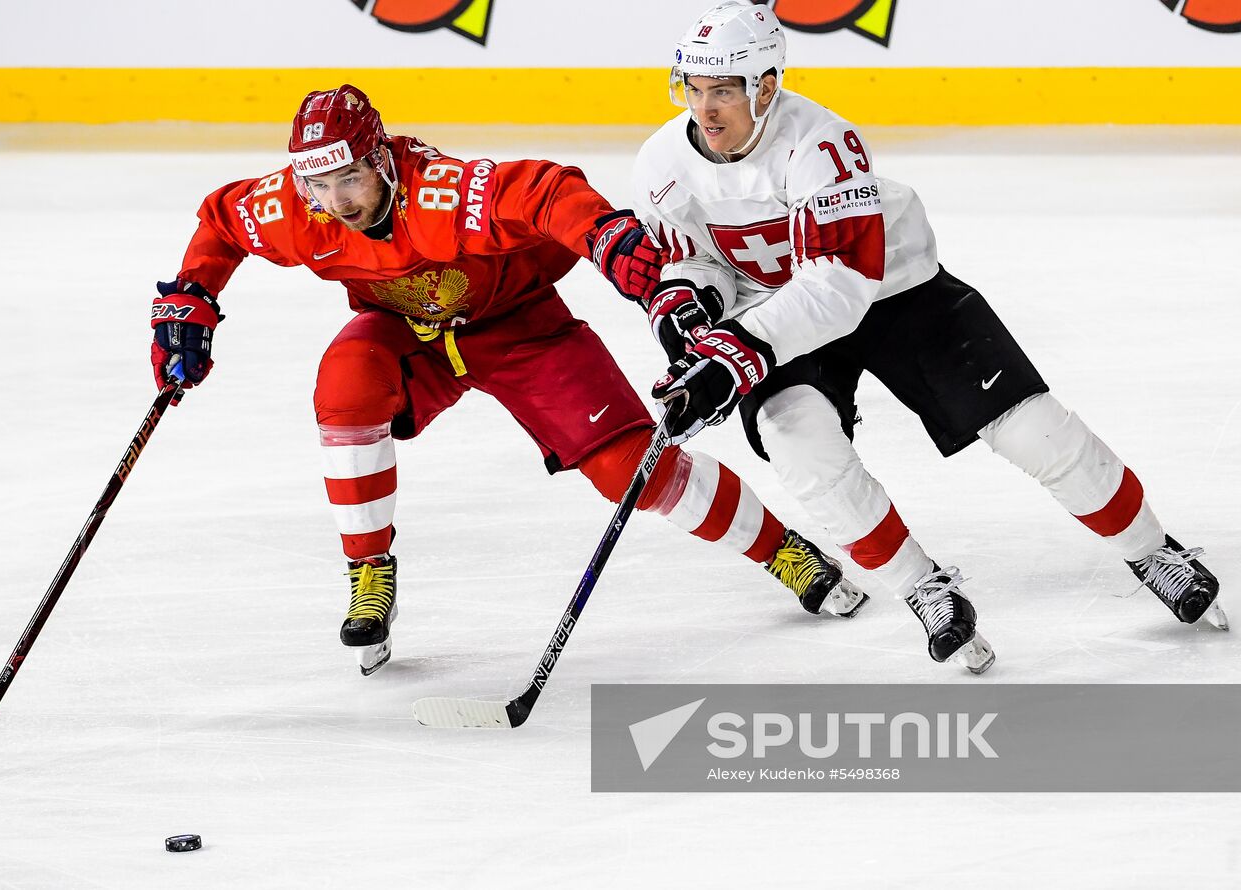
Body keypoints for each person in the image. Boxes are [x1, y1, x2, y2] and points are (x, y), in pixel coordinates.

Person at [149, 84, 867, 676]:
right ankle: (369, 573)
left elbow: (544, 190)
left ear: (383, 161)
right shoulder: (297, 210)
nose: (337, 200)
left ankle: (782, 550)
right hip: (412, 337)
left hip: (523, 329)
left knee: (631, 472)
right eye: (320, 183)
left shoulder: (443, 192)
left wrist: (603, 235)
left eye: (351, 179)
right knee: (345, 386)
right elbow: (222, 221)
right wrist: (190, 297)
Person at [635, 0, 1225, 674]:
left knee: (1033, 430)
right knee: (800, 447)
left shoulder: (821, 144)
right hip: (774, 315)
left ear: (766, 88)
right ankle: (923, 589)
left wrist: (737, 351)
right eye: (694, 90)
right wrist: (687, 307)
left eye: (723, 93)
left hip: (893, 292)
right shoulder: (661, 164)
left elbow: (838, 287)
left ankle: (1152, 550)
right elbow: (694, 259)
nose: (705, 111)